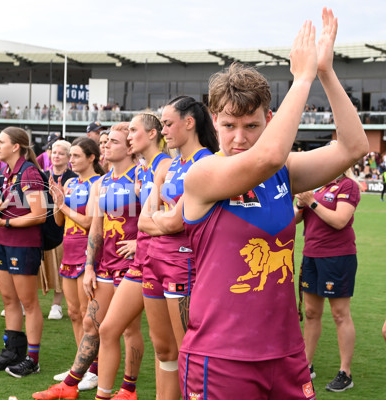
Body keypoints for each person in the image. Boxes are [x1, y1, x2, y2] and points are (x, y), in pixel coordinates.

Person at [153, 9, 368, 398]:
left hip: (286, 352)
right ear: (213, 121)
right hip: (220, 358)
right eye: (229, 126)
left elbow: (353, 147)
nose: (239, 138)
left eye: (252, 126)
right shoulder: (202, 175)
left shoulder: (283, 171)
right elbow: (265, 158)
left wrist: (323, 72)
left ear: (269, 120)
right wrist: (299, 79)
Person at [33, 122, 141, 400]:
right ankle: (71, 385)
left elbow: (163, 215)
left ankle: (128, 388)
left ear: (130, 147)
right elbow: (96, 227)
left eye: (112, 142)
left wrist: (142, 242)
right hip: (103, 264)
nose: (105, 146)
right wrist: (90, 265)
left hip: (134, 265)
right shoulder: (103, 183)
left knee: (128, 329)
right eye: (104, 142)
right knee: (93, 324)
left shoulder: (142, 177)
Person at [140, 97, 218, 400]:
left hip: (184, 263)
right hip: (154, 259)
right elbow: (145, 221)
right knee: (163, 348)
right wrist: (163, 219)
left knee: (189, 348)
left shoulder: (206, 162)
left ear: (190, 122)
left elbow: (174, 222)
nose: (163, 130)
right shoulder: (172, 164)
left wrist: (161, 219)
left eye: (168, 123)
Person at [95, 114, 172, 400]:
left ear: (152, 134)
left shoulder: (165, 166)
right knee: (107, 329)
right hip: (140, 264)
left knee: (166, 347)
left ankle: (129, 389)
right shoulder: (143, 170)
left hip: (162, 263)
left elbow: (177, 216)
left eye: (133, 131)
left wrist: (142, 242)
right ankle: (108, 394)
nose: (129, 137)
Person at [0, 127, 47, 378]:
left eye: (1, 142)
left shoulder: (29, 172)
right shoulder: (3, 172)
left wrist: (5, 222)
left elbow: (39, 214)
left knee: (28, 303)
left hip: (23, 244)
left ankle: (32, 358)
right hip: (3, 239)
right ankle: (13, 351)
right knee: (9, 300)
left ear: (16, 146)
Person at [296, 165, 361, 392]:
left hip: (338, 257)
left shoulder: (347, 185)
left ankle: (346, 372)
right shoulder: (316, 184)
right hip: (311, 255)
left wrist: (312, 201)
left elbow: (340, 220)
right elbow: (295, 220)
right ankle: (306, 365)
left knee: (339, 314)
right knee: (312, 313)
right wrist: (299, 203)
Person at [47, 137, 104, 389]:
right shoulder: (70, 182)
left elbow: (90, 222)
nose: (71, 160)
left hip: (87, 252)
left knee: (86, 314)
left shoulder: (96, 184)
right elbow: (60, 222)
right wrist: (57, 200)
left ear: (92, 158)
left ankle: (94, 369)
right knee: (72, 313)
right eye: (70, 155)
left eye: (76, 156)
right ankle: (79, 365)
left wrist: (62, 206)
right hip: (68, 249)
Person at [41, 139, 77, 321]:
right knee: (38, 266)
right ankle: (25, 303)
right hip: (42, 225)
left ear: (68, 157)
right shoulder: (41, 175)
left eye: (61, 153)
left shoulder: (73, 178)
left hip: (64, 227)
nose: (56, 156)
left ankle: (57, 305)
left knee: (60, 266)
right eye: (54, 152)